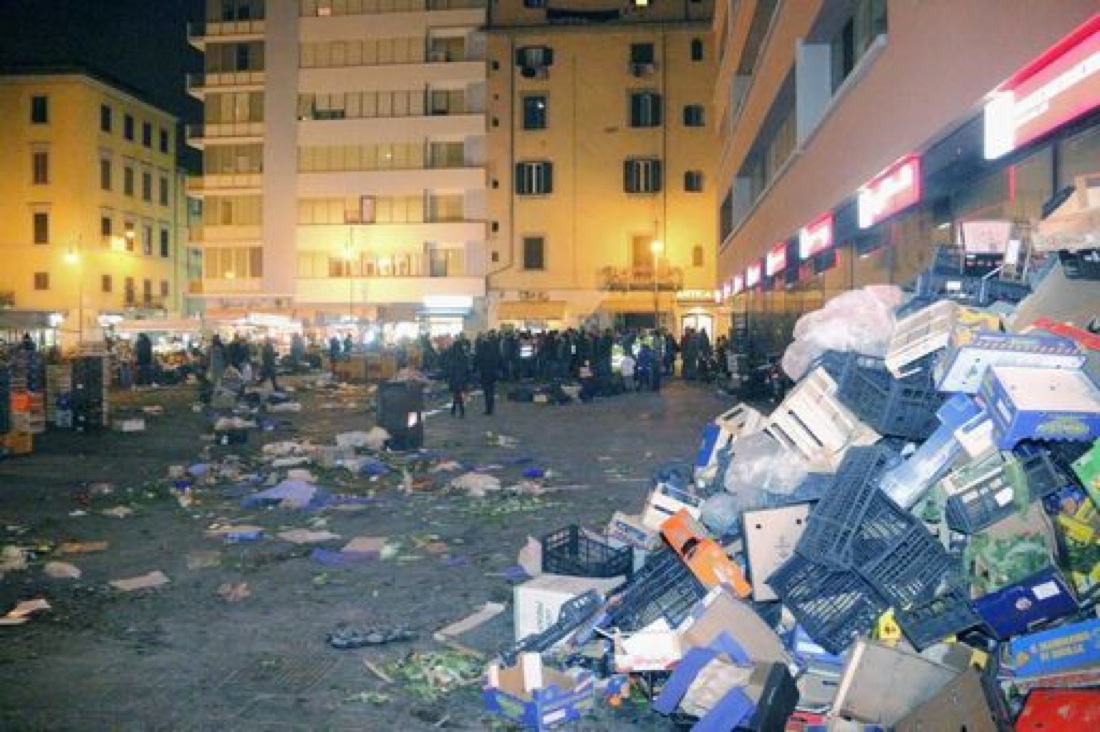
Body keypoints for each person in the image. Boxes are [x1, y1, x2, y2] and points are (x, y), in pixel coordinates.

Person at [474, 331, 502, 415]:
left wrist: (475, 369)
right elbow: (498, 359)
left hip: (484, 373)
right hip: (492, 373)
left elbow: (477, 360)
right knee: (491, 391)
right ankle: (491, 408)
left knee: (486, 391)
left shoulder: (481, 348)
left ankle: (488, 409)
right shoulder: (493, 347)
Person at [444, 335, 470, 418]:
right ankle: (458, 410)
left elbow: (449, 367)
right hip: (462, 379)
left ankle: (455, 409)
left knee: (456, 395)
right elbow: (466, 368)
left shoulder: (452, 356)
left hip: (454, 378)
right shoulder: (463, 356)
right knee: (458, 395)